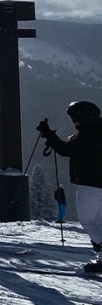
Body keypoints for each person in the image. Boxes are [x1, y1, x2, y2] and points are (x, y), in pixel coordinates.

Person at [37, 100, 102, 273]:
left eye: (75, 118)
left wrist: (49, 135)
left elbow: (68, 150)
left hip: (91, 184)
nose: (74, 122)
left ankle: (101, 253)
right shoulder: (97, 130)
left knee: (87, 220)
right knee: (98, 221)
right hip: (96, 184)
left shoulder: (90, 133)